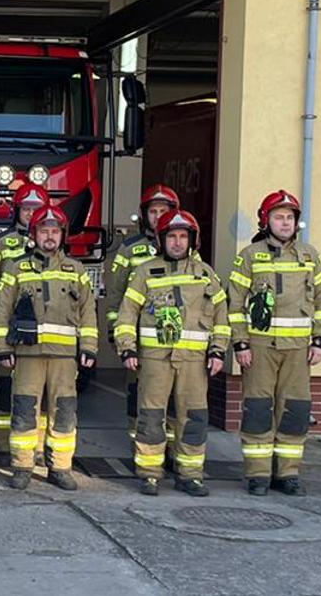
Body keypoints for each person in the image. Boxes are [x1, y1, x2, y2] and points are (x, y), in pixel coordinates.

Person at [113, 209, 227, 497]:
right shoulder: (144, 272)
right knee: (151, 417)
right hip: (155, 360)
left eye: (183, 237)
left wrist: (218, 352)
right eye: (172, 237)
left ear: (192, 240)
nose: (177, 243)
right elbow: (127, 314)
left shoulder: (205, 274)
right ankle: (150, 474)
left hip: (194, 362)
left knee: (194, 417)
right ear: (161, 240)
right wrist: (127, 349)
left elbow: (221, 317)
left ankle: (190, 475)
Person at [227, 190, 321, 497]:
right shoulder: (249, 256)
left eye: (290, 218)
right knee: (258, 410)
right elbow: (234, 304)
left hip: (299, 350)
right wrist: (241, 344)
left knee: (294, 411)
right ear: (266, 220)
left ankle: (287, 474)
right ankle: (258, 475)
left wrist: (320, 340)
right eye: (278, 217)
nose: (285, 223)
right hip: (259, 349)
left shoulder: (311, 256)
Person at [0, 205, 98, 491]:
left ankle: (60, 468)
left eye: (54, 231)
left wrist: (88, 347)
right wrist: (1, 348)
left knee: (63, 412)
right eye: (43, 231)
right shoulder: (16, 268)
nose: (49, 237)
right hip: (27, 355)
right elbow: (2, 310)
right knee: (25, 410)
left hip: (64, 357)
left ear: (63, 236)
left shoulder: (76, 270)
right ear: (33, 234)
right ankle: (22, 466)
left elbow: (88, 311)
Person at [0, 182, 50, 459]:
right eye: (26, 209)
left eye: (36, 209)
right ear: (16, 211)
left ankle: (37, 448)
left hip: (44, 333)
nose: (31, 214)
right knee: (7, 389)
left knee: (40, 394)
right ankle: (5, 447)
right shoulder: (1, 243)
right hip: (8, 330)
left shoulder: (53, 243)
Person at [102, 184, 179, 445]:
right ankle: (141, 446)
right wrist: (116, 331)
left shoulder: (184, 245)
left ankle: (168, 450)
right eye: (153, 211)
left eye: (163, 211)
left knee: (173, 397)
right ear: (144, 214)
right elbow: (116, 292)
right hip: (138, 338)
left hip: (176, 339)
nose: (157, 216)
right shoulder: (129, 248)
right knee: (139, 394)